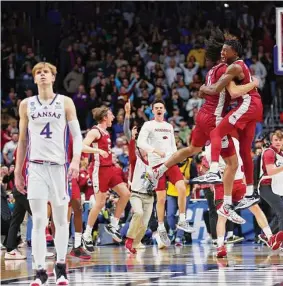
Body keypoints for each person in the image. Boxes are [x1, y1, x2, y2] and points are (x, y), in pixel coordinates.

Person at [144, 29, 258, 225]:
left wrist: (202, 89)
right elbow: (233, 91)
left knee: (192, 149)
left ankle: (159, 169)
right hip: (214, 117)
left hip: (202, 115)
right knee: (233, 164)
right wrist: (254, 83)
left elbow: (207, 91)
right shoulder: (226, 70)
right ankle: (225, 204)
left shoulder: (212, 70)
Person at [15, 62, 83, 286]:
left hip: (59, 167)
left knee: (61, 219)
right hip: (35, 167)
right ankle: (39, 271)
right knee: (38, 220)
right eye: (38, 73)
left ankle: (61, 267)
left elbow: (77, 136)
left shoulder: (65, 102)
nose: (42, 75)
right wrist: (17, 170)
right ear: (34, 79)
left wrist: (75, 161)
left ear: (53, 77)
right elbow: (22, 140)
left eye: (46, 72)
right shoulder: (26, 104)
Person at [194, 35, 263, 211]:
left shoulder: (233, 67)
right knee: (244, 150)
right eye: (222, 49)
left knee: (216, 132)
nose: (223, 52)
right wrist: (253, 84)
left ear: (236, 52)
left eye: (226, 49)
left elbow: (221, 90)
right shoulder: (238, 66)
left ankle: (214, 170)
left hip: (248, 104)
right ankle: (250, 193)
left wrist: (202, 88)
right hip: (254, 104)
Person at [203, 132, 283, 258]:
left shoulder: (235, 140)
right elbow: (210, 165)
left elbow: (242, 161)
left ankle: (270, 237)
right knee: (222, 215)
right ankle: (220, 246)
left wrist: (246, 180)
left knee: (256, 208)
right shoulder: (210, 145)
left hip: (240, 181)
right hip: (223, 183)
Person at [137, 99, 195, 247]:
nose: (158, 109)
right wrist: (154, 151)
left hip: (170, 163)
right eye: (156, 107)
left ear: (164, 110)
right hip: (156, 165)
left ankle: (182, 219)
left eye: (161, 107)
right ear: (152, 110)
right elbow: (140, 143)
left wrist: (177, 158)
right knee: (161, 199)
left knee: (182, 188)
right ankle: (161, 227)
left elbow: (173, 146)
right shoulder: (148, 125)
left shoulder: (169, 126)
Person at [81, 106, 131, 253]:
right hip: (99, 170)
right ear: (104, 117)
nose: (113, 117)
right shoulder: (94, 131)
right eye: (111, 115)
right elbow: (82, 146)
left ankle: (113, 224)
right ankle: (87, 234)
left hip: (110, 168)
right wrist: (98, 151)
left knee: (126, 194)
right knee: (100, 202)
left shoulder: (105, 132)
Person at [123, 100, 155, 254]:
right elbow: (128, 134)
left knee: (144, 223)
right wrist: (128, 115)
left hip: (150, 195)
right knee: (139, 213)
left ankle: (136, 242)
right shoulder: (135, 158)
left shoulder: (154, 161)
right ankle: (129, 240)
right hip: (135, 193)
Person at [258, 130, 283, 237]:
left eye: (280, 140)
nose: (278, 142)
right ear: (271, 141)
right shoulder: (269, 152)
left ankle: (266, 235)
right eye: (275, 140)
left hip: (277, 186)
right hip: (266, 186)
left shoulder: (281, 154)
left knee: (281, 212)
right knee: (282, 212)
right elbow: (270, 171)